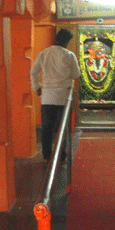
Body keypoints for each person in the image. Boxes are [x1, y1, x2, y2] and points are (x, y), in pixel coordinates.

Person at [30, 28, 80, 163]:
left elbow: (33, 72)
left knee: (46, 128)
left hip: (47, 96)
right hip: (64, 97)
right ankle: (62, 156)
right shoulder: (69, 55)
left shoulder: (43, 53)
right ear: (67, 41)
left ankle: (47, 156)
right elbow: (76, 75)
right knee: (61, 128)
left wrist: (37, 87)